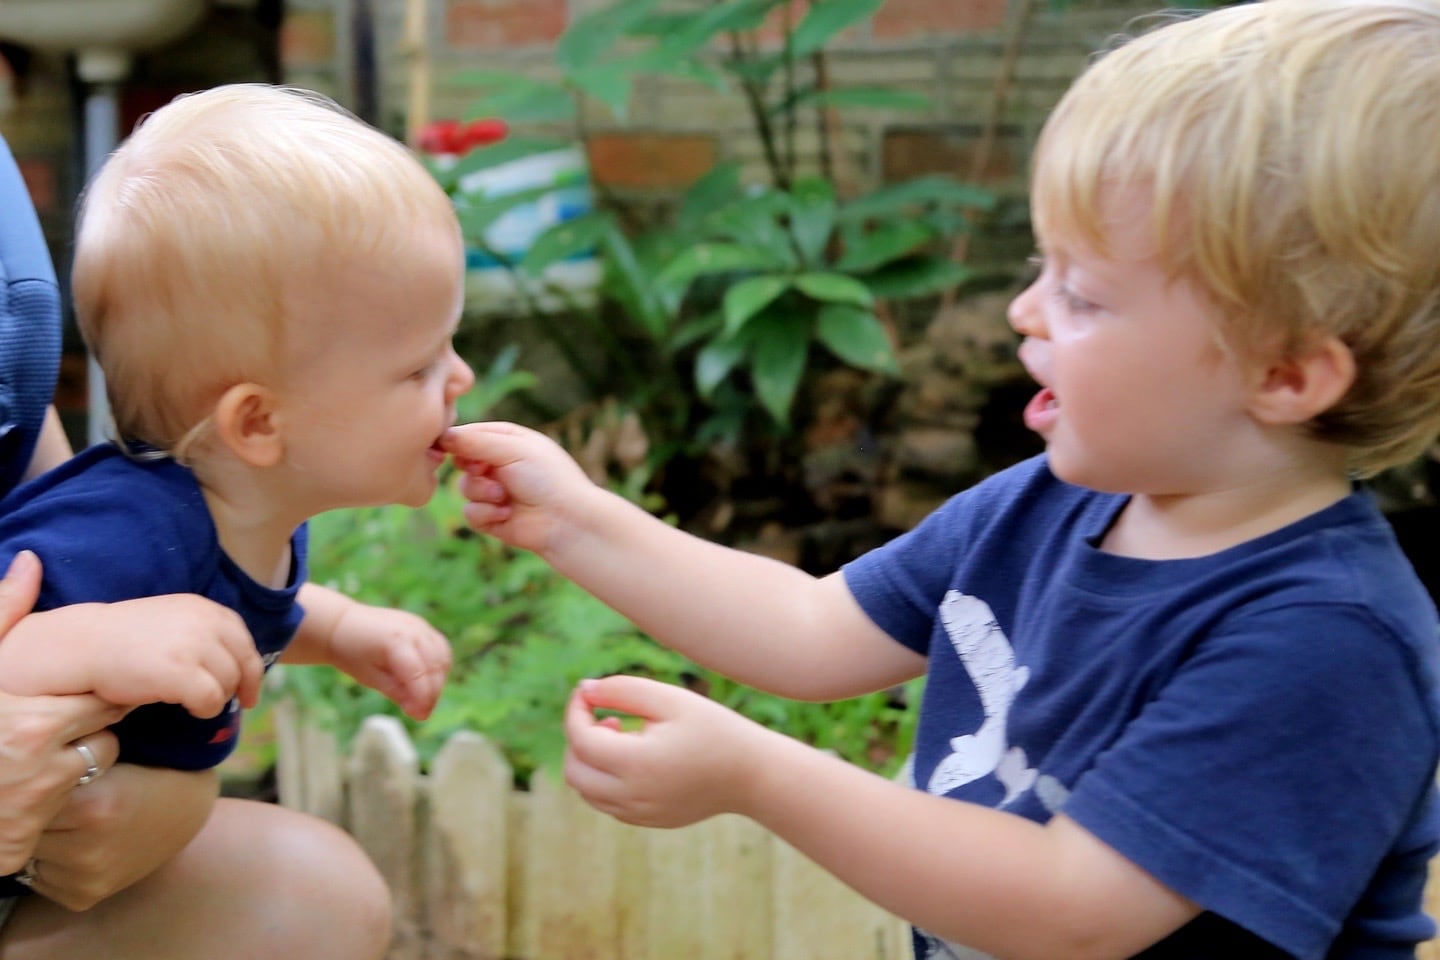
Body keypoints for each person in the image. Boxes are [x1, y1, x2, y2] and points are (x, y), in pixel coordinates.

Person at [442, 1, 1440, 956]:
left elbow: (1074, 911)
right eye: (1043, 269)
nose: (1024, 311)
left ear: (1285, 375)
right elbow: (810, 629)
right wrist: (574, 521)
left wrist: (758, 774)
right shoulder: (1046, 506)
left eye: (1083, 295)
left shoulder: (1324, 639)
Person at [0, 82, 472, 955]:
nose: (461, 380)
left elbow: (255, 606)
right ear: (258, 424)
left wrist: (352, 632)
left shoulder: (237, 512)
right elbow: (17, 594)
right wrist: (92, 642)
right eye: (417, 369)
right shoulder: (119, 537)